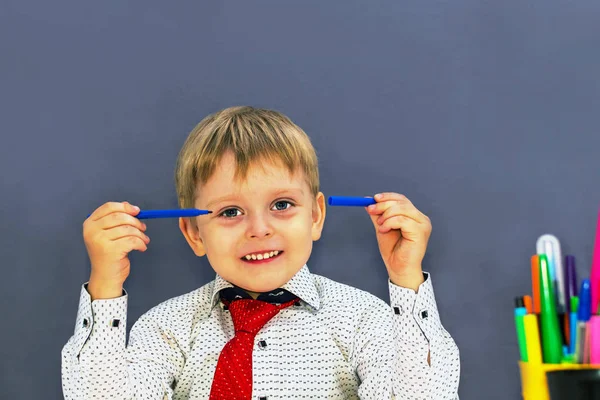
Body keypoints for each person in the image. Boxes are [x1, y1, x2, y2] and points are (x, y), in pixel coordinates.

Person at [61, 106, 460, 399]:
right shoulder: (166, 328)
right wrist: (105, 289)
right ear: (193, 232)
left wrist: (407, 280)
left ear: (317, 216)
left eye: (282, 205)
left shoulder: (362, 320)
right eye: (231, 212)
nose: (260, 229)